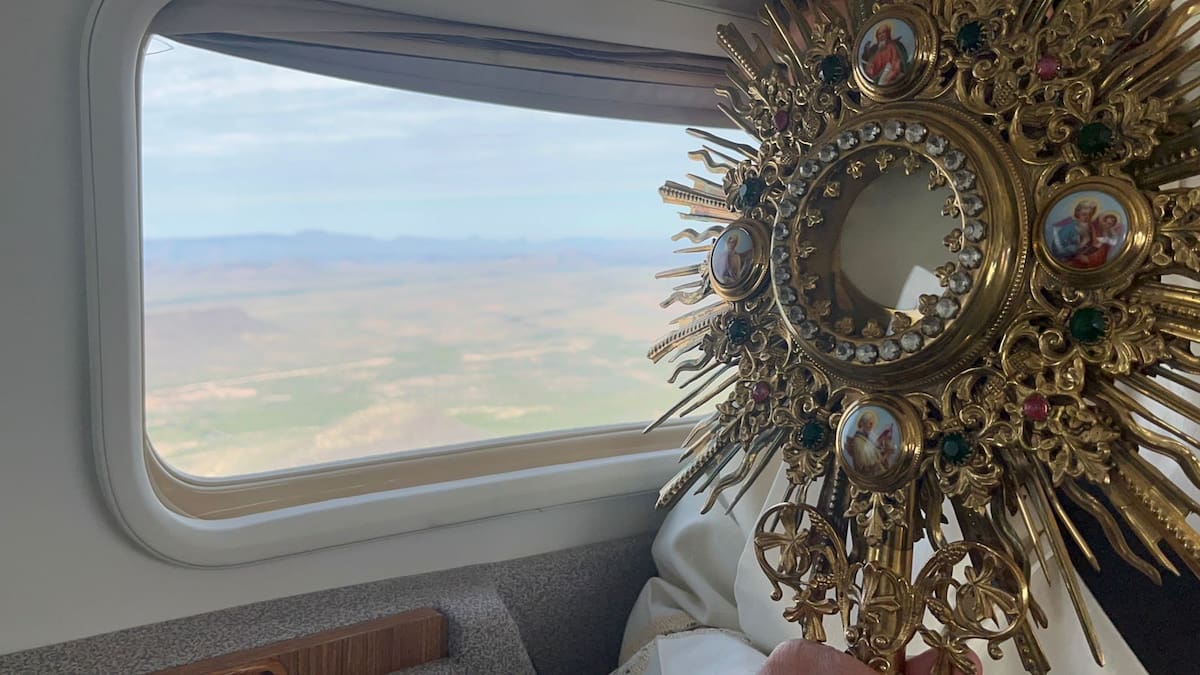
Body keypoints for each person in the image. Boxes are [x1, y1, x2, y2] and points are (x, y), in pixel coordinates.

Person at [1046, 198, 1097, 263]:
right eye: (1084, 214)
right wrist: (1078, 249)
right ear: (1078, 213)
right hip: (1067, 260)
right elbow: (1057, 249)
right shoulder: (1069, 227)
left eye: (1090, 215)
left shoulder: (1090, 228)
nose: (1087, 217)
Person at [844, 411, 896, 475]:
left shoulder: (866, 440)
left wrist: (885, 452)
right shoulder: (858, 442)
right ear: (863, 423)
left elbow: (875, 457)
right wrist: (886, 454)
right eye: (870, 423)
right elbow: (867, 468)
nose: (872, 427)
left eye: (873, 424)